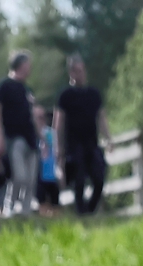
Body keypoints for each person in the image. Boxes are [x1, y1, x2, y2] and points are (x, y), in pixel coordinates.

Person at [56, 55, 110, 216]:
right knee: (78, 179)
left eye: (83, 70)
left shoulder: (93, 94)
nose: (81, 74)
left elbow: (101, 117)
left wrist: (108, 139)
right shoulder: (65, 96)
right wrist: (58, 147)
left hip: (91, 143)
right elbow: (58, 122)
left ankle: (90, 209)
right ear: (71, 73)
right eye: (78, 71)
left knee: (99, 178)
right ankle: (81, 213)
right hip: (73, 145)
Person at [0, 50, 41, 216]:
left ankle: (25, 213)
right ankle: (9, 206)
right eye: (28, 64)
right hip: (13, 138)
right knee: (19, 176)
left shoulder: (27, 89)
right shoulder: (4, 86)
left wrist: (42, 138)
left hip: (30, 139)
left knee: (31, 179)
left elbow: (33, 115)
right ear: (21, 65)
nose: (30, 68)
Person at [37, 109, 61, 213]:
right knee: (43, 203)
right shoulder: (33, 135)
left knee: (54, 204)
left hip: (51, 173)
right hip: (40, 174)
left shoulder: (51, 133)